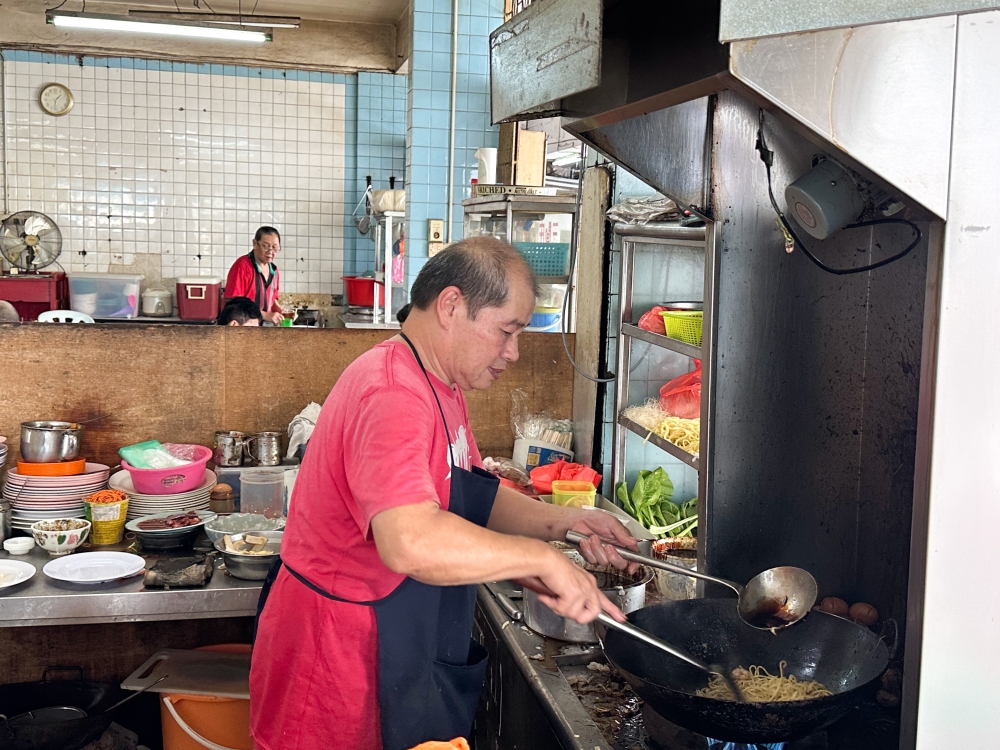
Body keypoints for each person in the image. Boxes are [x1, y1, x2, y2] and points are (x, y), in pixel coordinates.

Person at [250, 237, 639, 750]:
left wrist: (565, 524)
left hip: (397, 645)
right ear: (452, 306)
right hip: (339, 664)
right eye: (507, 331)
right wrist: (540, 560)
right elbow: (409, 540)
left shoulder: (440, 383)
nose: (514, 352)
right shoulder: (393, 393)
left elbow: (471, 493)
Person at [224, 226, 286, 325]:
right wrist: (265, 315)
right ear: (255, 244)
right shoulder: (242, 266)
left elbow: (272, 297)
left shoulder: (274, 271)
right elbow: (234, 304)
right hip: (245, 328)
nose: (270, 251)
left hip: (264, 327)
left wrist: (279, 310)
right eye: (266, 246)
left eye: (275, 247)